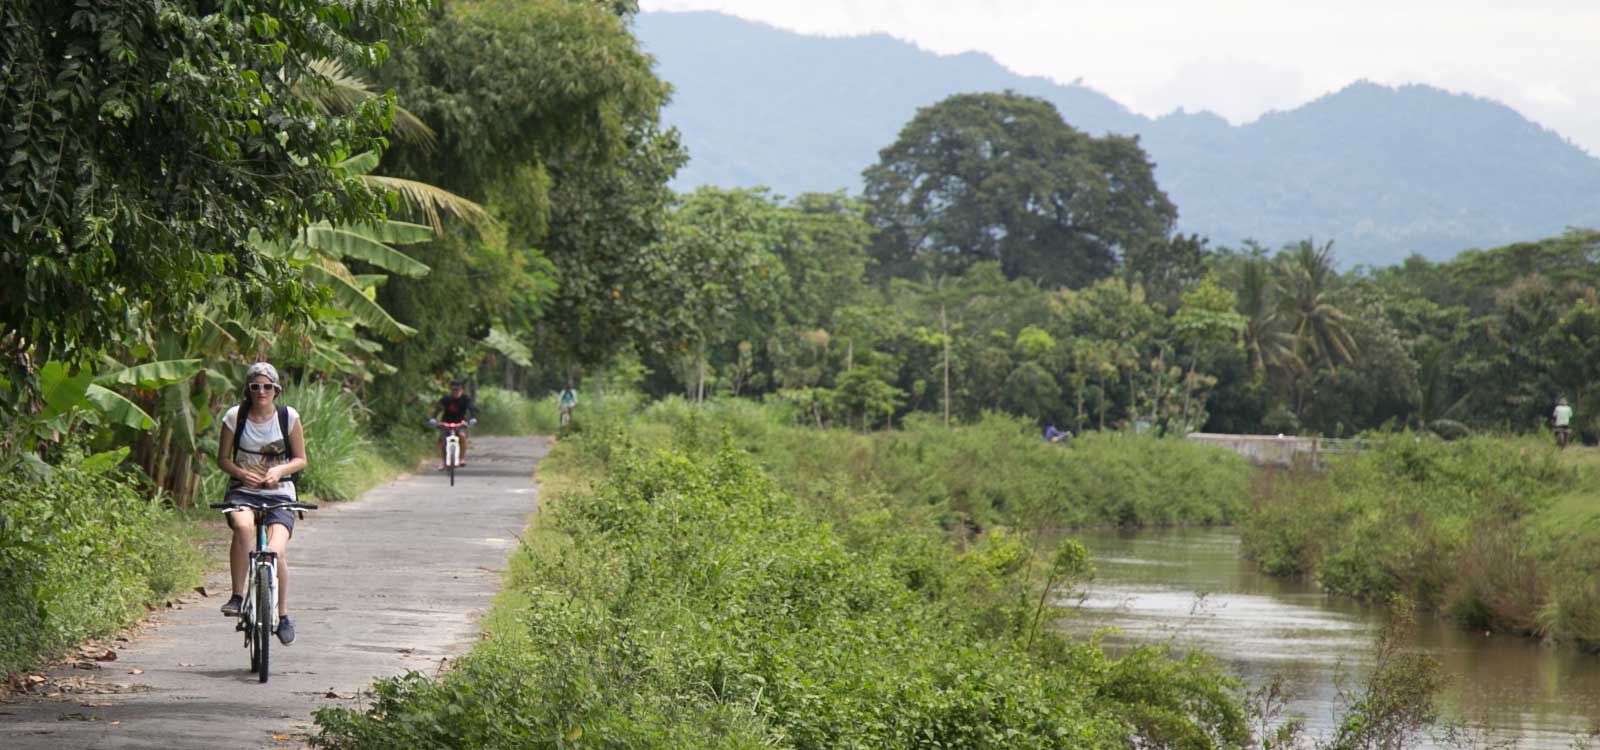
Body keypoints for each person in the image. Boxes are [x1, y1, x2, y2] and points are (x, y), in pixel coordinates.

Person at [215, 362, 306, 646]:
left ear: (276, 390)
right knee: (243, 528)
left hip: (280, 494)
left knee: (275, 551)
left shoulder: (288, 417)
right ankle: (237, 595)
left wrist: (278, 472)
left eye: (267, 386)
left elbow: (300, 459)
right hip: (243, 491)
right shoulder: (235, 416)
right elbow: (223, 459)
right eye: (255, 386)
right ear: (248, 389)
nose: (261, 391)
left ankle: (283, 614)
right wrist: (243, 475)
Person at [429, 380, 478, 469]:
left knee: (462, 436)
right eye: (453, 390)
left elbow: (471, 408)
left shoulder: (465, 399)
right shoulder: (446, 399)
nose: (455, 392)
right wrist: (433, 418)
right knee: (443, 441)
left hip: (460, 423)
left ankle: (461, 459)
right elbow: (438, 408)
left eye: (457, 390)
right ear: (450, 390)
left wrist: (473, 418)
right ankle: (443, 462)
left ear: (462, 390)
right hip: (446, 423)